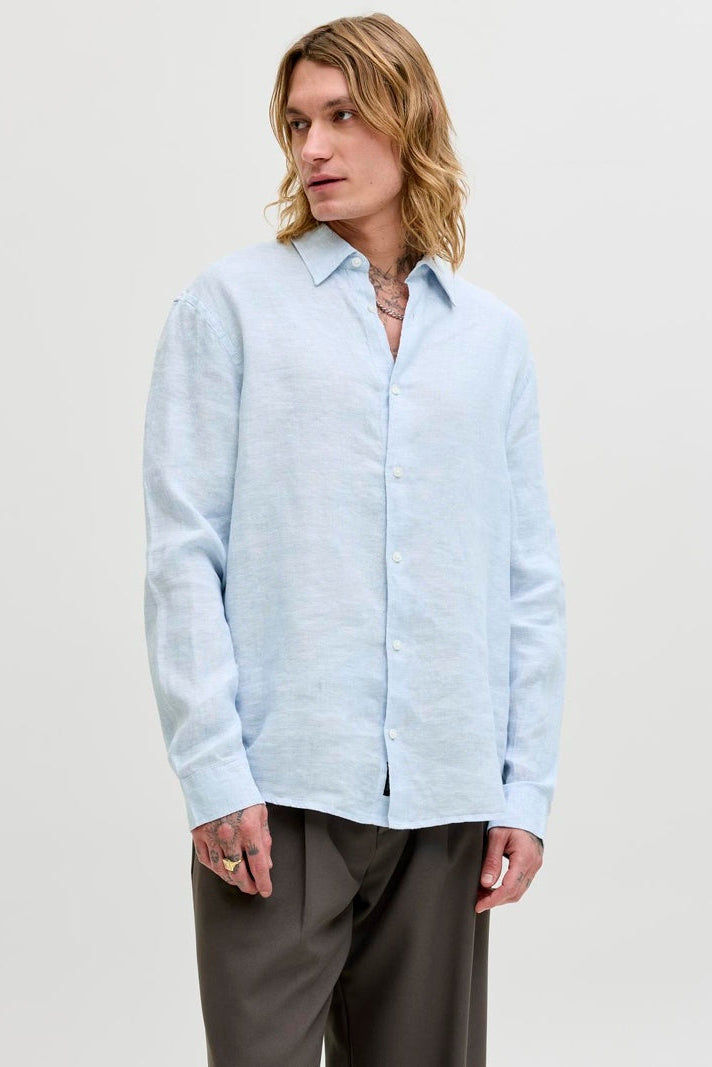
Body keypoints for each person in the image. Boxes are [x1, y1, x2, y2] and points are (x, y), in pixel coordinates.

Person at [142, 12, 567, 1067]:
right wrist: (213, 772)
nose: (313, 148)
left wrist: (524, 790)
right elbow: (184, 551)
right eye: (297, 124)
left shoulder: (491, 340)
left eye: (341, 116)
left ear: (407, 120)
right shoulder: (230, 307)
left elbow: (527, 579)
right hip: (278, 795)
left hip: (447, 797)